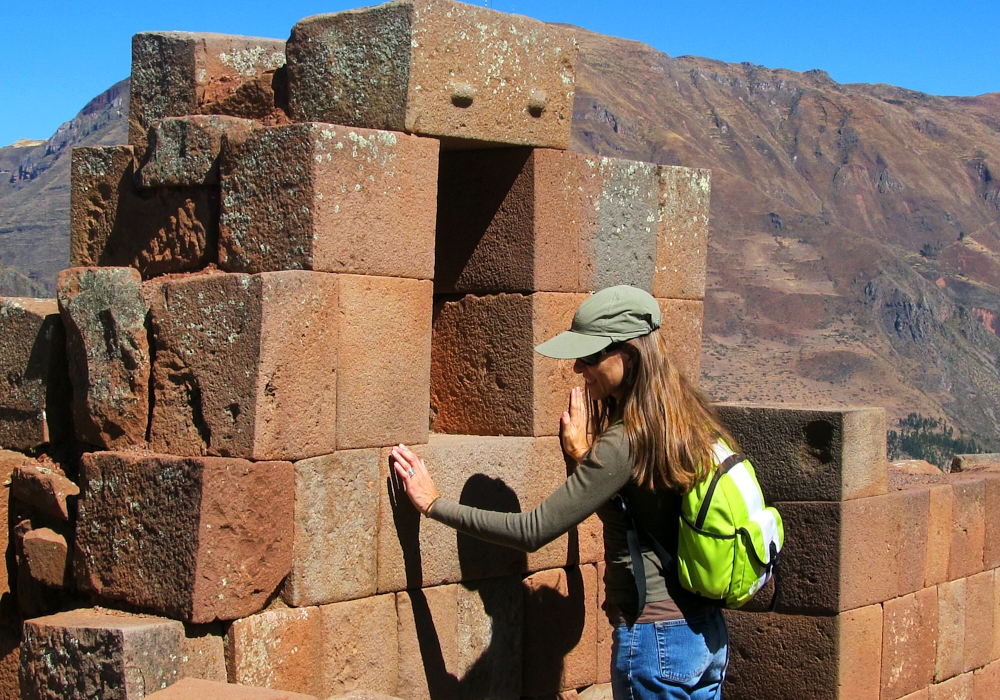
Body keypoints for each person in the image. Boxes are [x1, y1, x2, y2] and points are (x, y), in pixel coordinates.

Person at [391, 285, 735, 700]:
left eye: (590, 357)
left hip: (657, 642)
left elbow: (532, 531)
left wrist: (433, 503)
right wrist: (584, 460)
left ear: (627, 354)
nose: (577, 368)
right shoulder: (689, 420)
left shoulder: (626, 440)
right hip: (705, 637)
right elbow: (637, 509)